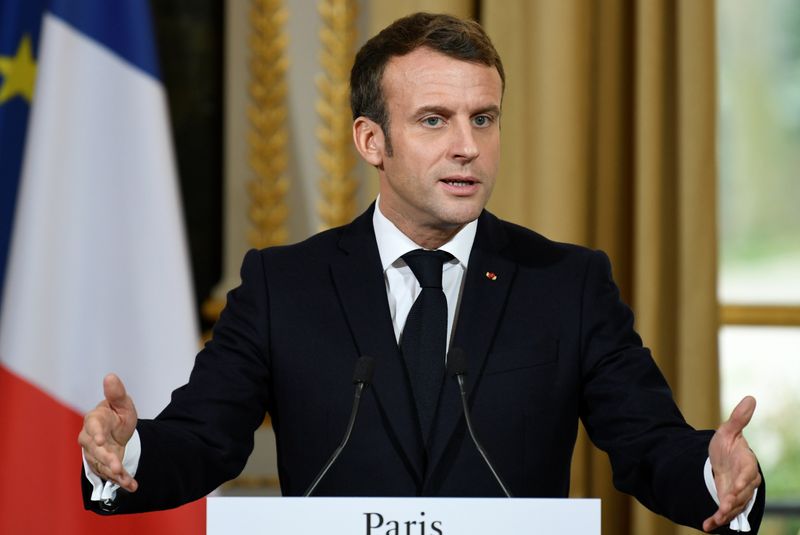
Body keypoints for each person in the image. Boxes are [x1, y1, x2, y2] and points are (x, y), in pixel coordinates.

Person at [79, 12, 764, 532]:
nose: (468, 147)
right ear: (371, 140)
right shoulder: (284, 284)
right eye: (434, 120)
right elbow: (204, 439)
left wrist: (717, 473)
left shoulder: (567, 283)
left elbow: (648, 443)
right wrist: (128, 452)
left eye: (484, 119)